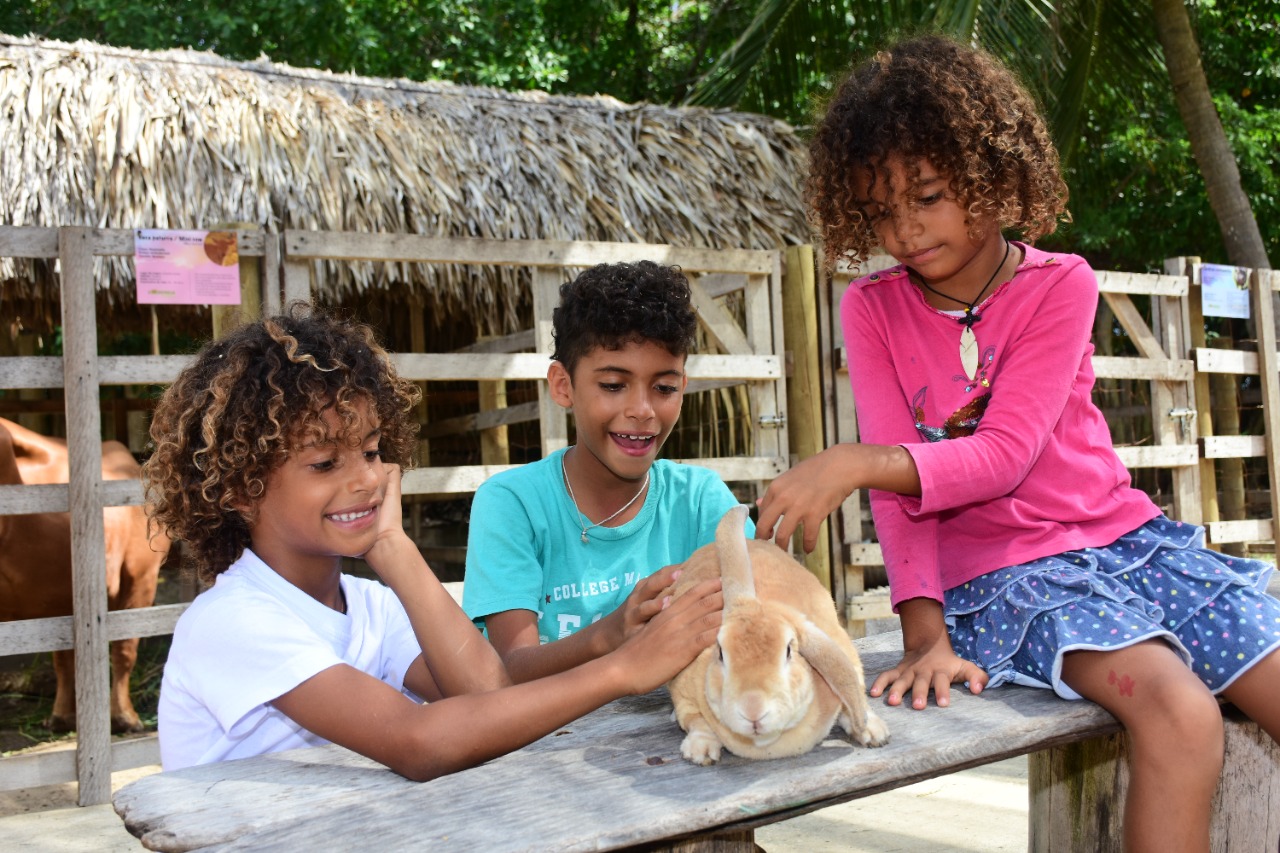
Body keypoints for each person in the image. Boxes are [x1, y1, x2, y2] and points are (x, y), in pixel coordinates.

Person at [754, 34, 1280, 852]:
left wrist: (854, 460)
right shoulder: (872, 308)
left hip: (1129, 543)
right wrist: (924, 634)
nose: (904, 228)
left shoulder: (1062, 282)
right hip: (1008, 579)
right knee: (1180, 711)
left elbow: (1005, 452)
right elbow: (905, 505)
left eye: (926, 195)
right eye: (879, 209)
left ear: (990, 175)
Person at [144, 304, 723, 779]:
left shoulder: (370, 605)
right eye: (324, 463)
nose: (367, 479)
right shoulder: (233, 620)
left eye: (372, 452)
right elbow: (419, 743)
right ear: (242, 489)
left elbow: (486, 693)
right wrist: (625, 668)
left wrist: (394, 550)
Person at [463, 260, 752, 682]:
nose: (642, 410)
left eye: (664, 388)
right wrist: (614, 634)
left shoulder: (700, 499)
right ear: (564, 386)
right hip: (553, 744)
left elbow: (762, 606)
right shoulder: (513, 504)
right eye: (613, 385)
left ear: (682, 388)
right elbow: (513, 666)